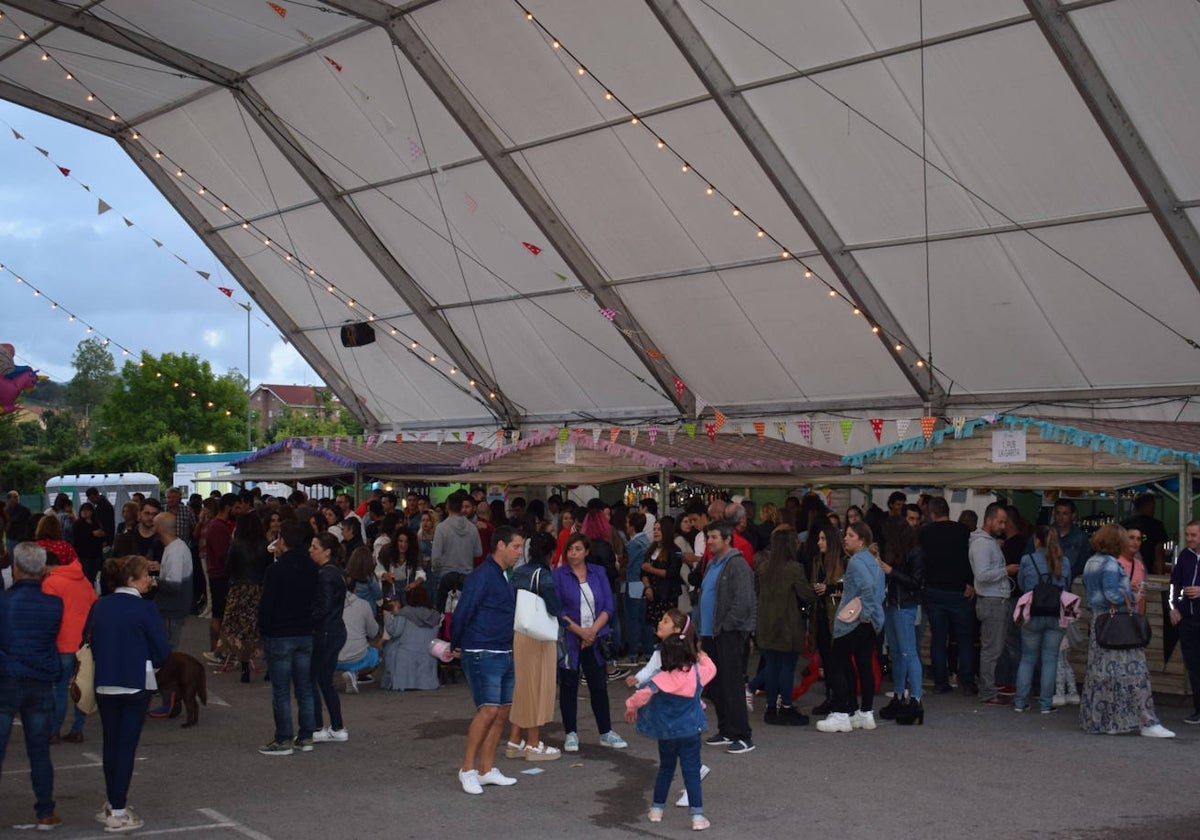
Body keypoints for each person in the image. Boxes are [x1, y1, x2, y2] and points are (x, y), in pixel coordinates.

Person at [88, 554, 171, 833]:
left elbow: (90, 641)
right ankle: (119, 810)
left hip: (104, 682)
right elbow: (162, 650)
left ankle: (112, 802)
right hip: (135, 682)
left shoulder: (100, 606)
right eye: (146, 575)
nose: (150, 579)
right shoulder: (146, 609)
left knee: (111, 744)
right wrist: (150, 663)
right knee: (126, 747)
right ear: (132, 579)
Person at [624, 610, 716, 832]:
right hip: (690, 730)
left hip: (666, 732)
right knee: (691, 771)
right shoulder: (696, 674)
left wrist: (631, 708)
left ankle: (656, 810)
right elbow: (711, 669)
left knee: (666, 768)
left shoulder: (659, 679)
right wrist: (700, 653)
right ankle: (697, 816)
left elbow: (640, 696)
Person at [451, 526, 526, 795]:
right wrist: (456, 643)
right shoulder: (482, 575)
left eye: (521, 547)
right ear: (501, 546)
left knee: (502, 711)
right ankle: (467, 769)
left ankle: (485, 769)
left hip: (502, 650)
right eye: (516, 546)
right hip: (481, 650)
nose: (520, 552)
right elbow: (463, 610)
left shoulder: (505, 575)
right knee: (489, 710)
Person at [1079, 524, 1173, 738]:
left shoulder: (1091, 562)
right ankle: (1147, 721)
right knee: (1135, 672)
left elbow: (1096, 592)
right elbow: (1113, 595)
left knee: (1101, 675)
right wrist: (1132, 598)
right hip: (1117, 622)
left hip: (1099, 621)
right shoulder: (1112, 564)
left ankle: (1102, 721)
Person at [0, 542, 63, 830]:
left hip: (7, 679)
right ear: (43, 570)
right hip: (40, 680)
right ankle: (45, 812)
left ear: (16, 567)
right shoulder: (54, 604)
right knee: (39, 750)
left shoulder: (4, 601)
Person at [552, 532, 628, 754]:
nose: (573, 553)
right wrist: (579, 632)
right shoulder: (559, 575)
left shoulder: (598, 572)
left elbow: (608, 606)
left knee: (599, 685)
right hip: (570, 637)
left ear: (586, 551)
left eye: (577, 549)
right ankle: (571, 733)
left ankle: (605, 732)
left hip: (595, 637)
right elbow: (558, 610)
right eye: (570, 549)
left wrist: (592, 632)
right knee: (568, 685)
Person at [257, 520, 319, 756]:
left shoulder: (275, 570)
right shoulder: (312, 568)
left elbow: (267, 605)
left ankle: (283, 738)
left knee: (281, 689)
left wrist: (263, 632)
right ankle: (306, 736)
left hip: (280, 633)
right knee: (304, 686)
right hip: (304, 632)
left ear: (282, 541)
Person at [816, 522, 884, 733]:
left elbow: (867, 588)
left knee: (836, 664)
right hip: (871, 623)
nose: (845, 538)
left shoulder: (855, 561)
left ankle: (841, 714)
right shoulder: (874, 561)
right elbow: (879, 590)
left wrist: (865, 613)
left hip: (853, 621)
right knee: (863, 665)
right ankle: (865, 713)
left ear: (861, 540)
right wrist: (872, 615)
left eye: (851, 535)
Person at [697, 520, 756, 754]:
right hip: (711, 633)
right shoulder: (713, 563)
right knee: (716, 685)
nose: (709, 541)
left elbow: (743, 601)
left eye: (713, 537)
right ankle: (726, 730)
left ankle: (743, 735)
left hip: (727, 633)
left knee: (731, 684)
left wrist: (726, 626)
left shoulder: (737, 565)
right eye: (708, 537)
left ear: (727, 539)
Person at [505, 531, 563, 761]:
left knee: (523, 685)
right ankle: (533, 743)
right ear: (550, 553)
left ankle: (514, 740)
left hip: (520, 632)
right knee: (538, 688)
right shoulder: (545, 576)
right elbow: (555, 608)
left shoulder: (518, 573)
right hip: (540, 635)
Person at [754, 526, 813, 726]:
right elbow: (807, 594)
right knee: (787, 666)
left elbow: (756, 591)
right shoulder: (794, 568)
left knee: (771, 666)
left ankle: (771, 708)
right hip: (787, 625)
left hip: (765, 624)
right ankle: (786, 707)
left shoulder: (762, 567)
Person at [42, 541, 96, 743]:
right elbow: (94, 604)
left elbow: (49, 615)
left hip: (63, 642)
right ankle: (77, 729)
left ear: (45, 566)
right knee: (81, 687)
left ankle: (54, 730)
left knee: (60, 688)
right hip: (84, 643)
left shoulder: (50, 583)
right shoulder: (83, 580)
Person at [921, 496, 976, 695]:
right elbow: (969, 559)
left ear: (931, 513)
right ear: (948, 511)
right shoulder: (962, 531)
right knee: (965, 639)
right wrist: (970, 581)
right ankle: (967, 683)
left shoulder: (924, 533)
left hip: (934, 591)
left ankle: (940, 682)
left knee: (938, 639)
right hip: (959, 591)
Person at [1012, 526, 1070, 714]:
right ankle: (1045, 704)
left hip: (1032, 612)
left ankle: (1020, 702)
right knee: (1050, 658)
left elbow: (1021, 584)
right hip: (1056, 613)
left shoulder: (1027, 560)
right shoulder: (1065, 561)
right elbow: (1067, 586)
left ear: (1037, 540)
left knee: (1027, 658)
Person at [878, 506, 926, 725]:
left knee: (908, 653)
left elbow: (916, 583)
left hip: (904, 605)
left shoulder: (915, 551)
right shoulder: (900, 550)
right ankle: (900, 695)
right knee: (897, 653)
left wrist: (889, 571)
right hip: (892, 604)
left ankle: (916, 699)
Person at [970, 503, 1015, 706]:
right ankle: (987, 691)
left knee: (993, 647)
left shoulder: (988, 542)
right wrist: (1006, 570)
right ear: (989, 520)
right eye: (1000, 521)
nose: (1003, 526)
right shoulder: (982, 544)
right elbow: (982, 575)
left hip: (994, 599)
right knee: (991, 649)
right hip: (991, 600)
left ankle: (988, 687)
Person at [221, 512, 271, 682]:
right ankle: (269, 667)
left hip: (240, 589)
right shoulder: (265, 544)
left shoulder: (236, 544)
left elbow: (228, 567)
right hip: (259, 588)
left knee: (240, 630)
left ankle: (244, 668)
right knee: (261, 628)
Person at [309, 532, 348, 742]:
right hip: (334, 630)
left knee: (315, 678)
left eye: (314, 547)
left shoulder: (326, 574)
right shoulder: (334, 572)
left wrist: (307, 618)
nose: (310, 550)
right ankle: (337, 726)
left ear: (327, 551)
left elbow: (323, 606)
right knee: (324, 680)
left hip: (325, 631)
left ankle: (318, 727)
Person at [810, 519, 846, 715]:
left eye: (823, 539)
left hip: (839, 617)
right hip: (822, 615)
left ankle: (841, 700)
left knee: (837, 661)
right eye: (819, 539)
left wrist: (831, 588)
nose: (819, 542)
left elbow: (851, 585)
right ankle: (831, 697)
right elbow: (813, 585)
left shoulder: (844, 561)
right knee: (826, 658)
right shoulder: (818, 561)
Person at [1168, 519, 1200, 726]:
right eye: (1187, 535)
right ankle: (1198, 709)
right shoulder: (1184, 557)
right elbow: (1175, 583)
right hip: (1188, 619)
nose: (1189, 539)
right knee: (1194, 666)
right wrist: (1173, 607)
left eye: (1193, 535)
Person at [380, 586, 440, 691]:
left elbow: (395, 632)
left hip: (406, 657)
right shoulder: (435, 615)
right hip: (428, 656)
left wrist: (387, 616)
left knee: (389, 647)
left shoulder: (405, 613)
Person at [430, 491, 481, 612]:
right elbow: (478, 552)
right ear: (461, 507)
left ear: (447, 506)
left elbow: (435, 558)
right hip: (467, 577)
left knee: (444, 615)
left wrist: (437, 571)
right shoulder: (472, 528)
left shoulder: (442, 528)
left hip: (446, 577)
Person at [154, 512, 193, 652]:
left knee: (168, 648)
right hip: (174, 607)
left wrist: (153, 581)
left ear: (159, 528)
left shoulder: (174, 552)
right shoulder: (177, 546)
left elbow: (173, 585)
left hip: (172, 608)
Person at [336, 576, 380, 694]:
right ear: (355, 589)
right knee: (374, 654)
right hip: (358, 654)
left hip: (333, 657)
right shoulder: (364, 605)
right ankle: (353, 673)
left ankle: (350, 675)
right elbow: (373, 632)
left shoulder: (329, 605)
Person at [622, 511, 652, 665]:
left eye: (628, 523)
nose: (626, 526)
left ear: (632, 527)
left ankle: (633, 653)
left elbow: (627, 565)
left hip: (633, 582)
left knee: (633, 620)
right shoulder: (647, 541)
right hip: (645, 584)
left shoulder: (633, 545)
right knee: (645, 620)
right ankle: (647, 652)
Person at [643, 517, 683, 629]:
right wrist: (647, 587)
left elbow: (673, 572)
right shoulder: (650, 550)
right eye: (654, 529)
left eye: (659, 529)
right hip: (653, 596)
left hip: (667, 596)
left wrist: (652, 570)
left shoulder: (676, 550)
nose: (655, 532)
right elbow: (643, 572)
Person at [72, 501, 107, 589]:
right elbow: (76, 537)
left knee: (92, 577)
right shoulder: (78, 524)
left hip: (95, 555)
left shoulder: (96, 524)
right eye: (83, 510)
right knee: (84, 576)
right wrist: (91, 534)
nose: (84, 512)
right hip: (83, 555)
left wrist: (102, 536)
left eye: (87, 510)